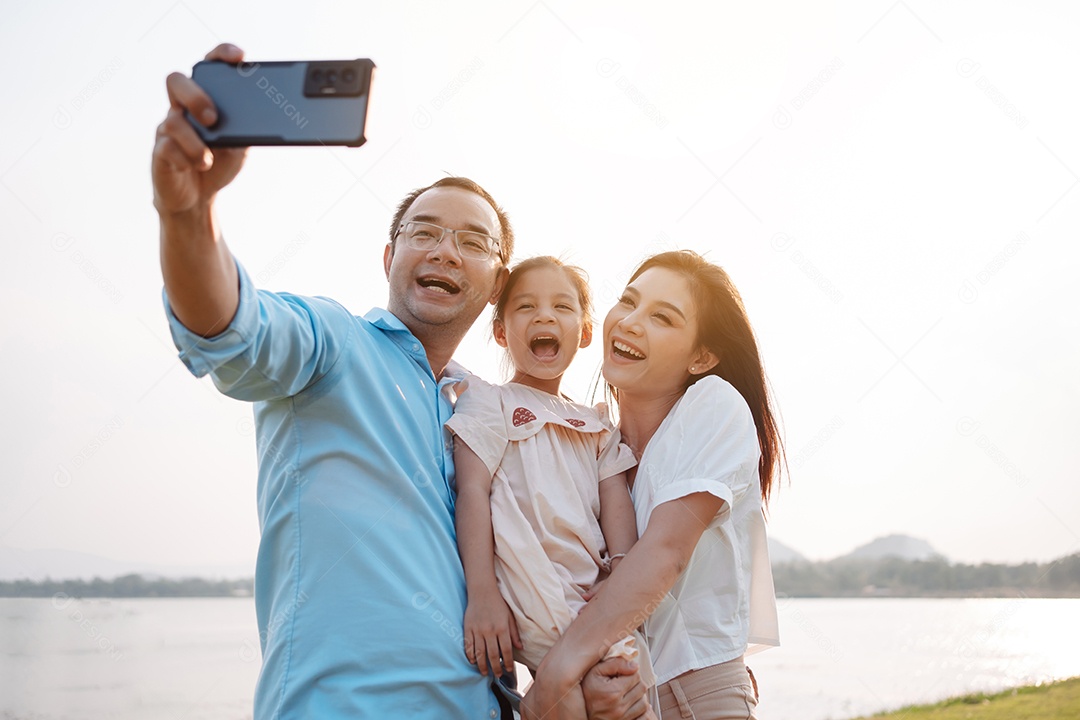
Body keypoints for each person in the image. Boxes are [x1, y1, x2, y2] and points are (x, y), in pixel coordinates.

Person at [153, 43, 648, 720]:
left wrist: (567, 685)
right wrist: (187, 213)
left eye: (472, 241)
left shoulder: (492, 409)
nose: (446, 250)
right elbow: (230, 327)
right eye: (425, 232)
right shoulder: (331, 344)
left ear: (496, 284)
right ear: (391, 256)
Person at [522, 250, 783, 720]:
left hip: (698, 696)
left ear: (702, 356)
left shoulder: (712, 405)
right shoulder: (595, 445)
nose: (630, 322)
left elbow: (666, 550)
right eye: (628, 301)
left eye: (662, 317)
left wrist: (558, 673)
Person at [447, 257, 655, 703]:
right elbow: (472, 492)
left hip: (592, 593)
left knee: (624, 692)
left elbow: (615, 498)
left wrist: (621, 572)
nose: (544, 316)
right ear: (502, 332)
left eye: (562, 306)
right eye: (526, 307)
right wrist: (481, 594)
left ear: (583, 332)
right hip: (530, 586)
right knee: (574, 696)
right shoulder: (490, 402)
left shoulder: (596, 422)